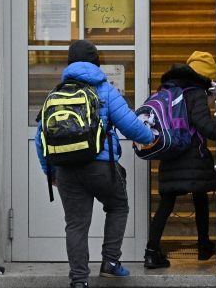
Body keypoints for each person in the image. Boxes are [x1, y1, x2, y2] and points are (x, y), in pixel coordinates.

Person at [35, 40, 154, 288]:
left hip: (66, 169)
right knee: (118, 206)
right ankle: (110, 263)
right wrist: (151, 138)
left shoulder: (55, 93)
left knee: (76, 224)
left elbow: (40, 138)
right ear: (96, 62)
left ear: (69, 63)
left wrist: (51, 173)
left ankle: (79, 280)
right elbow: (130, 125)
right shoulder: (105, 90)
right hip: (101, 167)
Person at [144, 51, 216, 269]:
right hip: (193, 155)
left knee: (166, 203)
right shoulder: (196, 93)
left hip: (171, 151)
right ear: (205, 75)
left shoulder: (168, 89)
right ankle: (203, 246)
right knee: (200, 197)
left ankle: (151, 252)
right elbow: (203, 124)